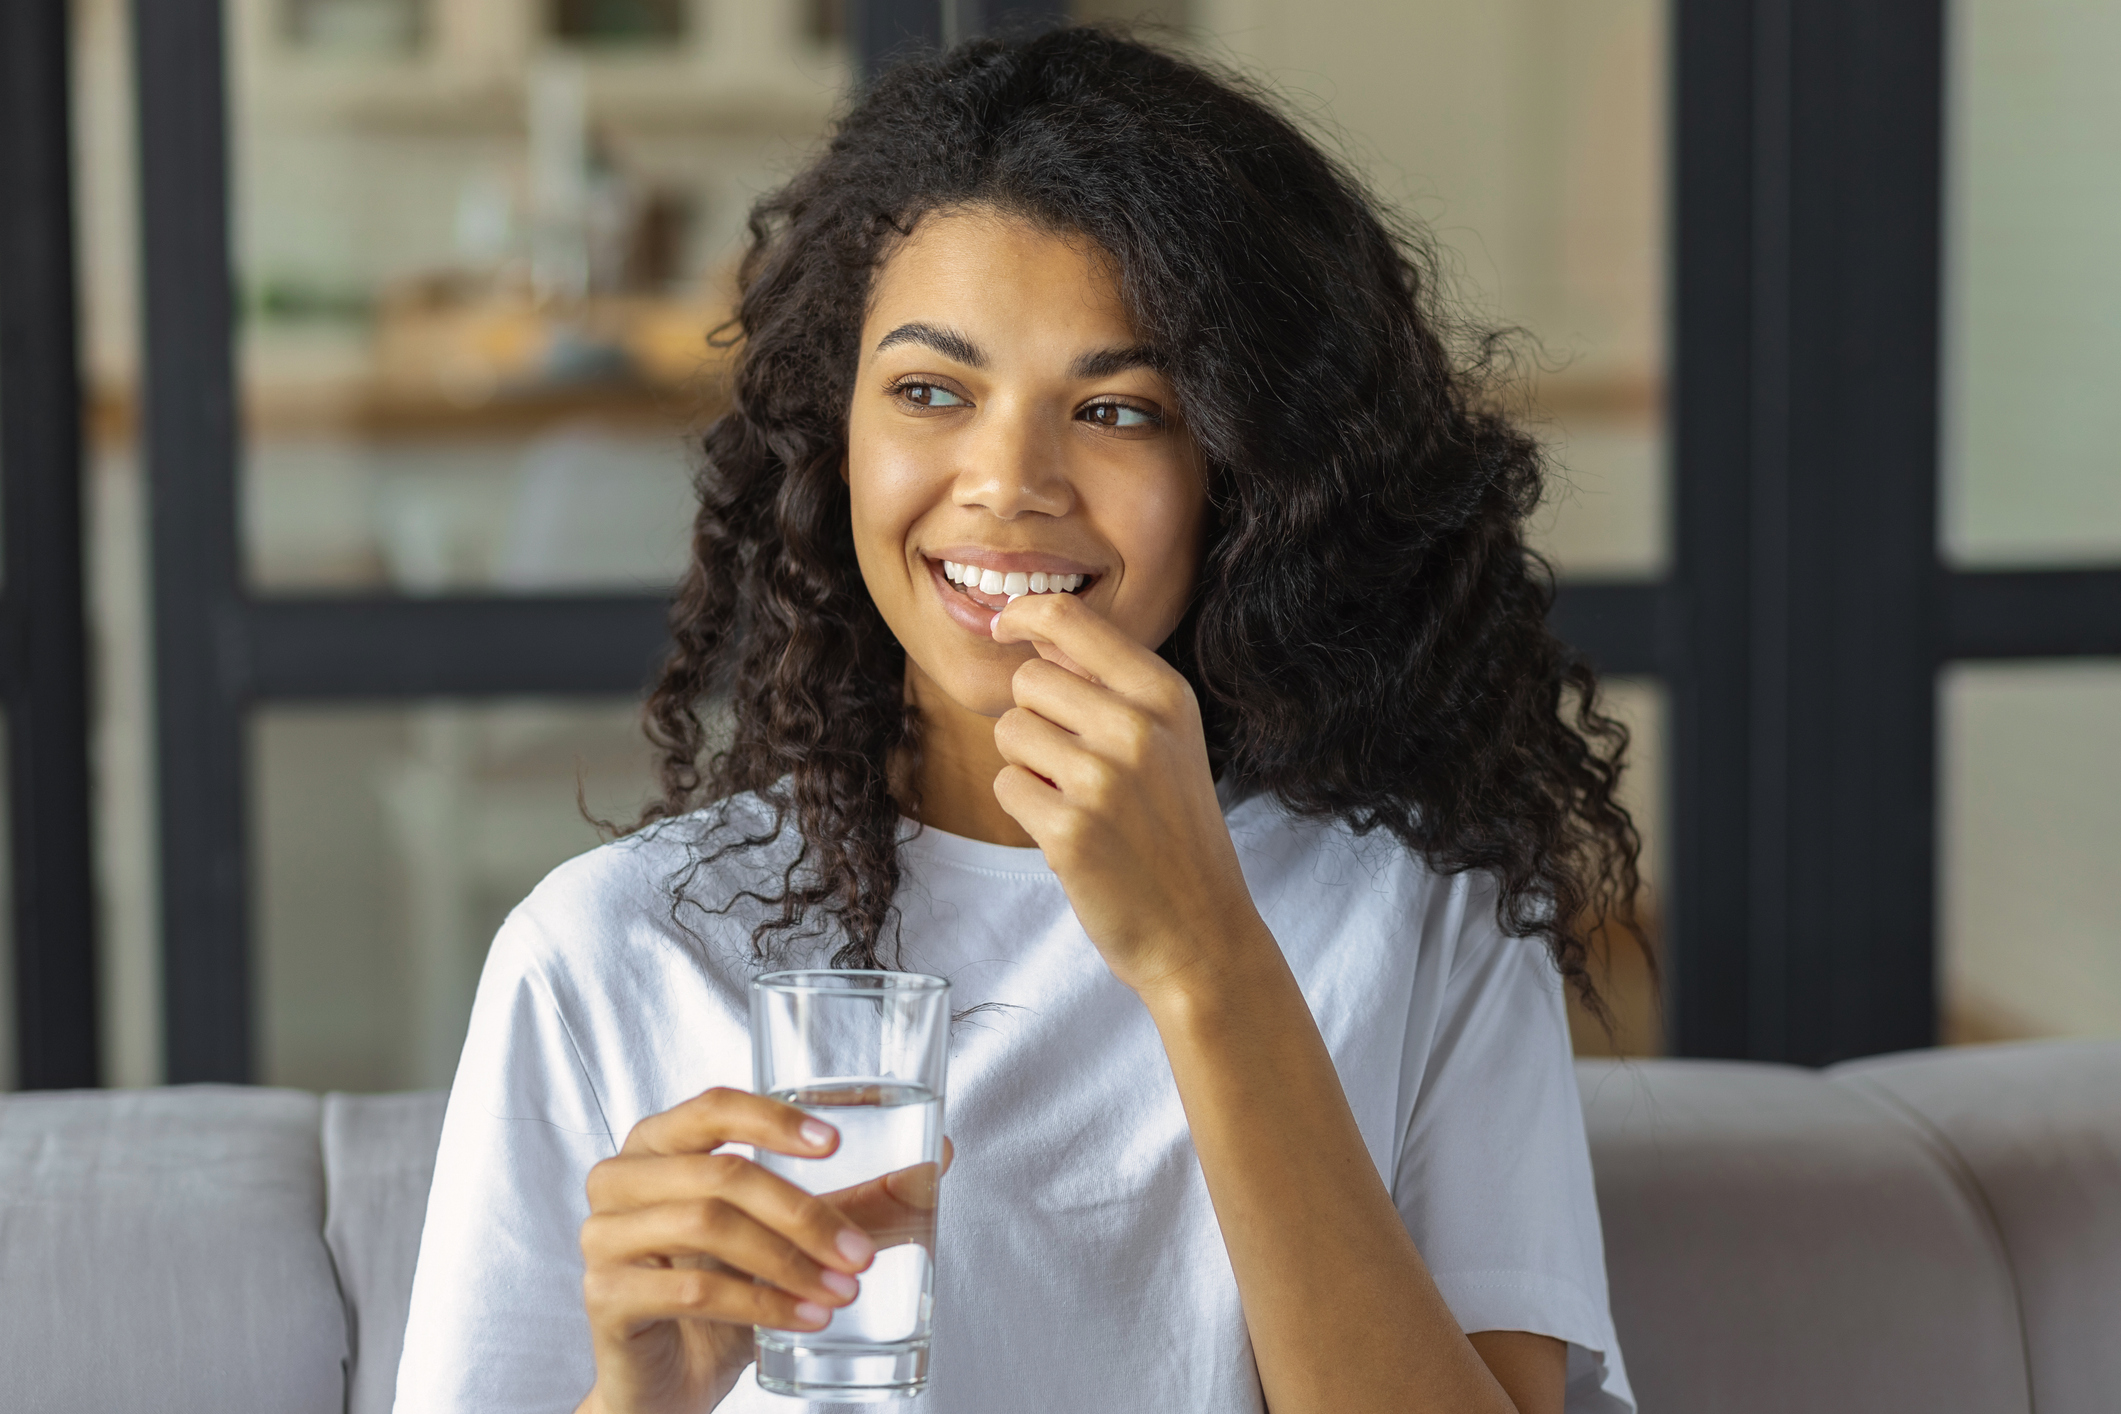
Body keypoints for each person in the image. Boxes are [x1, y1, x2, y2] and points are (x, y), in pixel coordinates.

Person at [394, 25, 1644, 1414]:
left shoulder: (1420, 913)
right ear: (836, 433)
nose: (1007, 482)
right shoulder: (609, 953)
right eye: (931, 391)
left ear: (1250, 468)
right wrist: (642, 1398)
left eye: (1116, 408)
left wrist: (1204, 960)